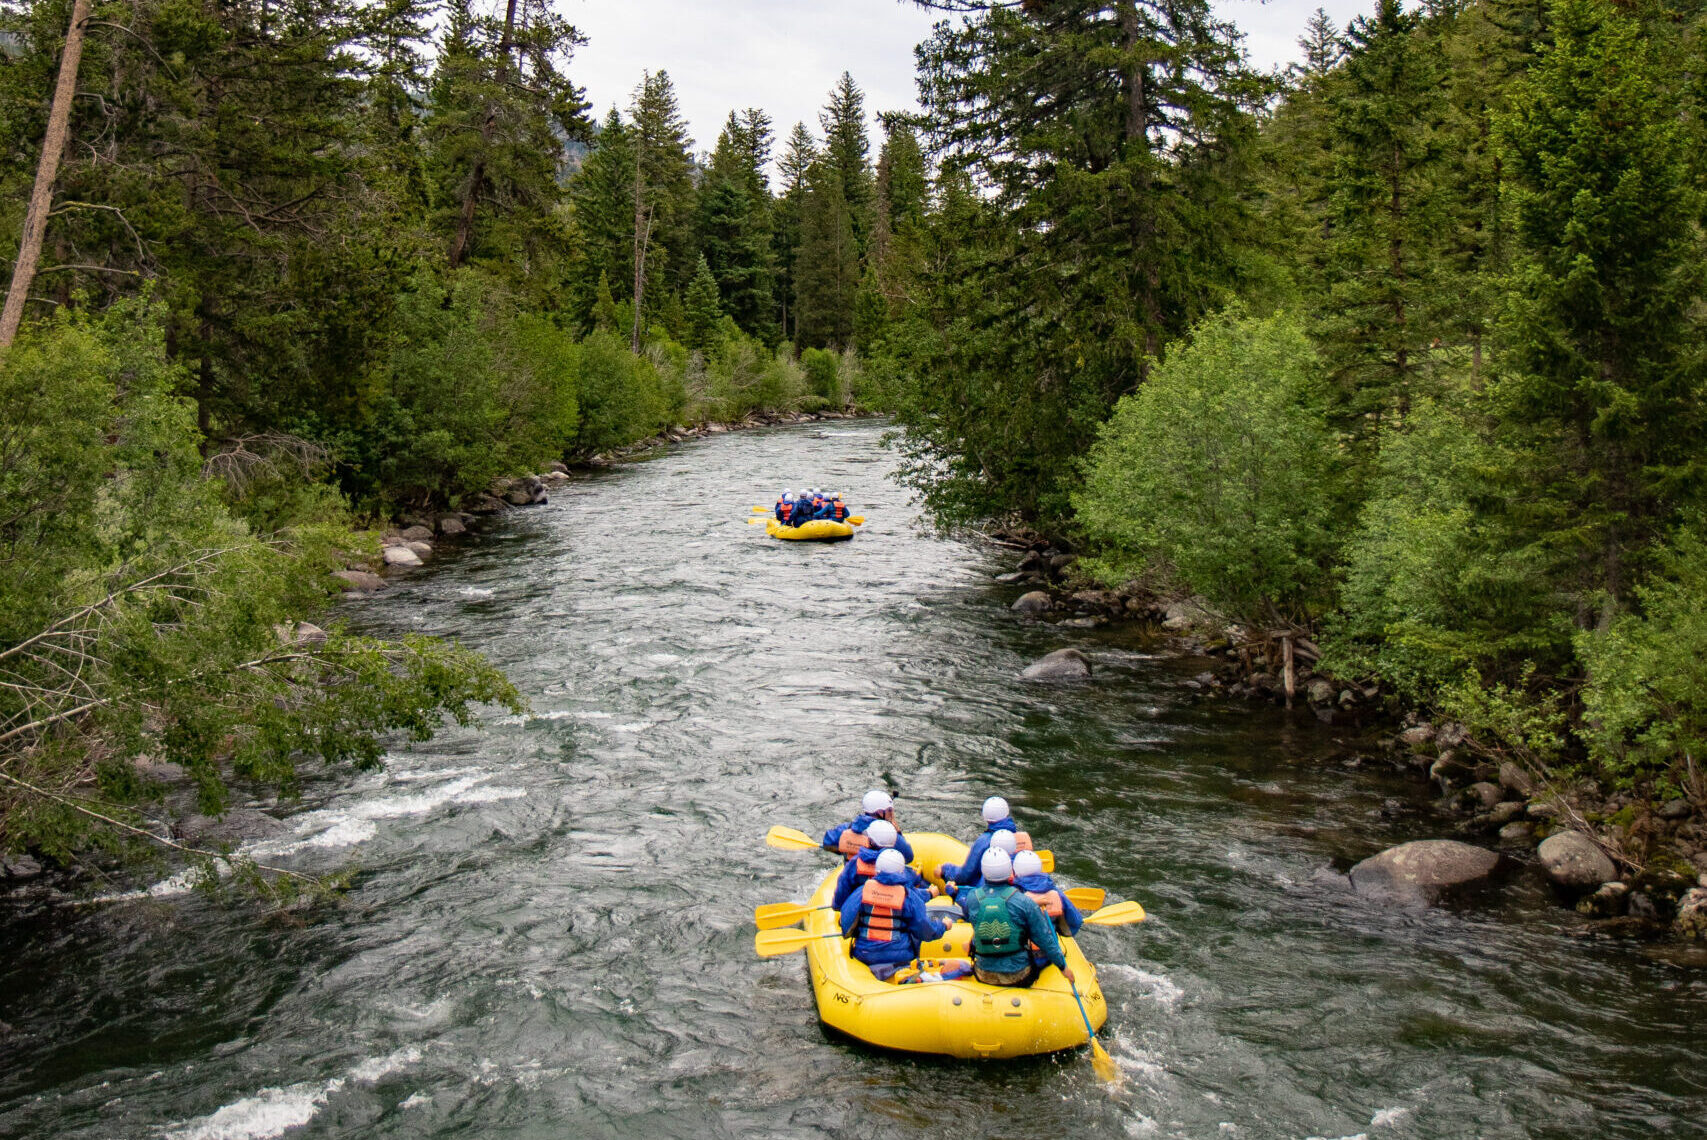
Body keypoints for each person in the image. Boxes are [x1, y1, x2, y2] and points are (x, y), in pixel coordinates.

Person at [962, 849, 1072, 988]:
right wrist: (1063, 968)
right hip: (1019, 975)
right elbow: (1044, 939)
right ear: (1010, 871)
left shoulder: (972, 898)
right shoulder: (1024, 902)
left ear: (984, 871)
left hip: (983, 973)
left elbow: (971, 919)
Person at [840, 848, 950, 981]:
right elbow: (924, 930)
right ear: (901, 871)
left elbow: (845, 922)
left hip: (865, 954)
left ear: (878, 869)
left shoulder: (862, 892)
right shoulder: (908, 897)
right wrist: (943, 926)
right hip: (900, 957)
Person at [831, 820, 932, 908]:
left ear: (870, 841)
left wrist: (838, 906)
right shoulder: (899, 868)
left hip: (861, 912)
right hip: (898, 919)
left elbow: (843, 890)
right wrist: (929, 893)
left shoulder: (854, 864)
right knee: (919, 880)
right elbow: (911, 896)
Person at [938, 796, 1031, 887]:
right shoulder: (1021, 837)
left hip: (988, 889)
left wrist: (946, 870)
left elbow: (965, 875)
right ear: (1006, 813)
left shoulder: (983, 841)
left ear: (985, 816)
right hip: (1016, 888)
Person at [822, 789, 915, 863]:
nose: (892, 814)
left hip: (854, 877)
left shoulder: (848, 828)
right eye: (889, 810)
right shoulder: (889, 834)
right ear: (879, 812)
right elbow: (908, 857)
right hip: (879, 881)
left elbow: (827, 842)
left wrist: (846, 848)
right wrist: (898, 832)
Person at [1012, 849, 1083, 938]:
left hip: (1021, 943)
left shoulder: (1012, 892)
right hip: (1048, 940)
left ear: (1015, 870)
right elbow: (1076, 922)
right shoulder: (1055, 892)